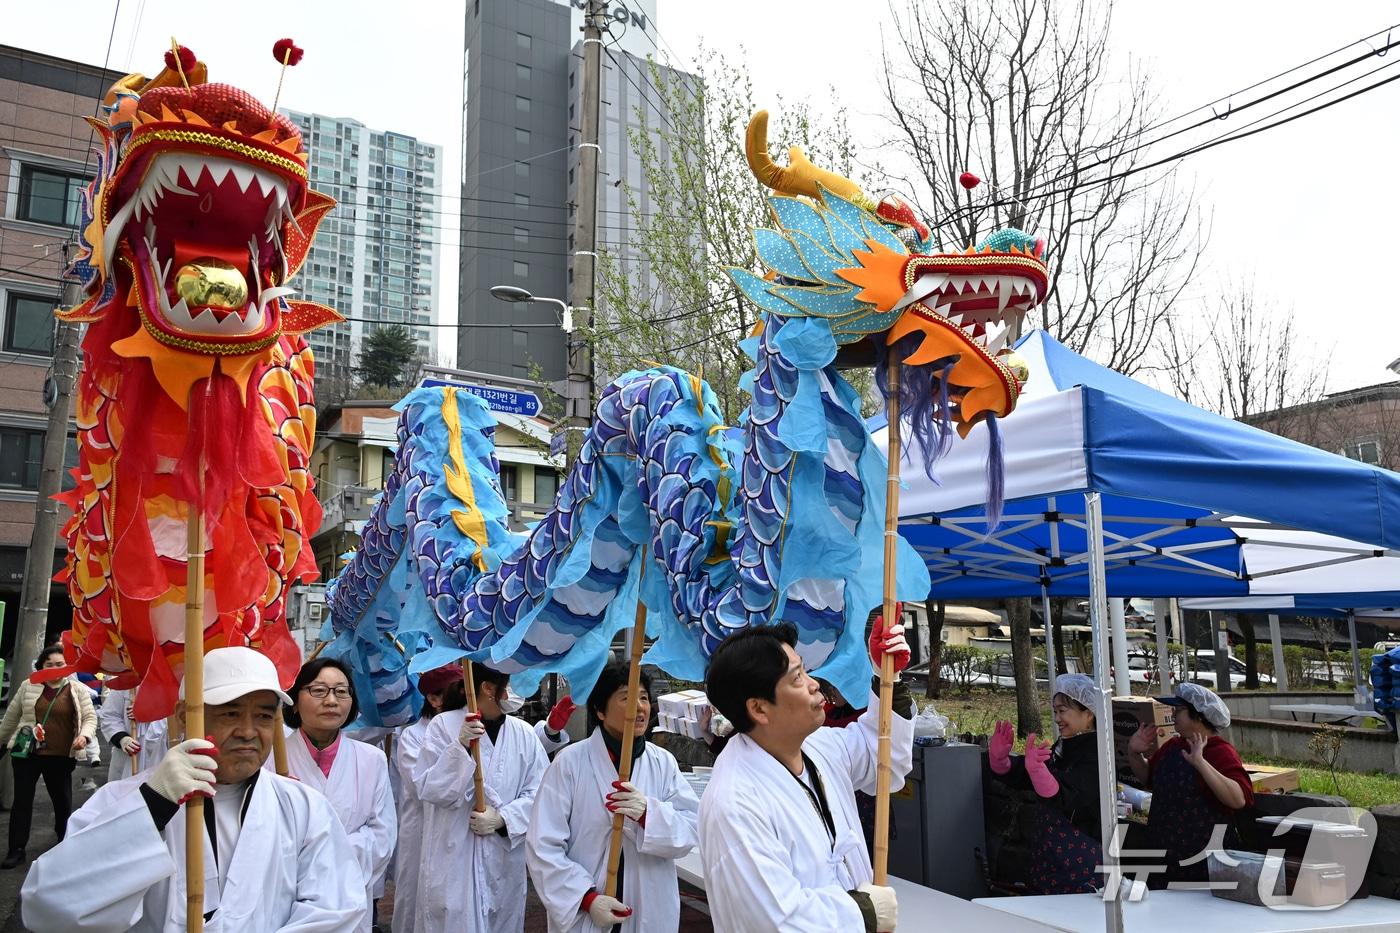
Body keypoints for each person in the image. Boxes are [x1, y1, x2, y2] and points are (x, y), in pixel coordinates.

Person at [21, 646, 366, 930]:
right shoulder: (122, 799)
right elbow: (49, 908)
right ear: (185, 715)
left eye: (263, 716)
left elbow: (336, 909)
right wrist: (152, 806)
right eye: (231, 714)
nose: (249, 731)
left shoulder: (303, 807)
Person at [698, 618, 913, 933]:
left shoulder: (818, 747)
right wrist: (861, 911)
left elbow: (881, 758)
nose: (814, 684)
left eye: (805, 671)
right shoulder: (734, 803)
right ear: (759, 709)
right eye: (797, 678)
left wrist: (888, 679)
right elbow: (773, 919)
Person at [526, 661, 700, 932]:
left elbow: (690, 829)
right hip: (588, 909)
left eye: (643, 697)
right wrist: (585, 898)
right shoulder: (569, 763)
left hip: (648, 904)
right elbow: (543, 844)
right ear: (600, 710)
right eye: (626, 697)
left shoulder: (663, 763)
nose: (640, 706)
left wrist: (648, 815)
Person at [412, 662, 549, 932]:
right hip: (455, 858)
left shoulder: (523, 734)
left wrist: (504, 819)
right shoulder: (444, 726)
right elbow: (430, 789)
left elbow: (542, 793)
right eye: (512, 684)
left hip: (503, 862)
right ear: (488, 687)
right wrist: (460, 747)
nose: (518, 692)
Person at [280, 657, 397, 933]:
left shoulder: (372, 760)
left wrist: (319, 853)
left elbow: (383, 836)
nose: (331, 700)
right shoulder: (273, 759)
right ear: (295, 701)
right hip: (288, 899)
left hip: (349, 895)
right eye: (319, 690)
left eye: (341, 691)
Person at [1129, 681, 1254, 887]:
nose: (1172, 714)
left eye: (1178, 710)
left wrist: (1201, 763)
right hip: (1163, 857)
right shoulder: (1173, 746)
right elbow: (1149, 778)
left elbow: (1238, 799)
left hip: (1203, 862)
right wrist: (1135, 753)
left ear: (1198, 716)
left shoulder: (1220, 752)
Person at [987, 673, 1104, 894]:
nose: (1057, 718)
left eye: (1063, 711)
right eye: (1055, 712)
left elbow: (1072, 799)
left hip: (1080, 864)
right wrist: (1002, 762)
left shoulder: (1096, 752)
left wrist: (1040, 773)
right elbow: (1028, 775)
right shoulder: (1063, 745)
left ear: (1088, 713)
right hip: (1047, 857)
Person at [0, 643, 98, 868]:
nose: (54, 668)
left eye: (60, 664)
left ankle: (64, 842)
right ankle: (16, 849)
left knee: (62, 801)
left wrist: (84, 736)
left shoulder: (77, 688)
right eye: (49, 664)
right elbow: (11, 718)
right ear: (40, 666)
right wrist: (2, 740)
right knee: (22, 801)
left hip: (61, 755)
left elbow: (91, 718)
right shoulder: (28, 686)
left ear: (67, 666)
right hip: (27, 753)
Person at [392, 664, 463, 933]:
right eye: (457, 691)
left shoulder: (470, 728)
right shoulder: (412, 737)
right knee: (416, 901)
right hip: (422, 834)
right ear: (433, 699)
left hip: (460, 834)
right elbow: (425, 788)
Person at [98, 686, 169, 783]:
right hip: (129, 757)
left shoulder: (171, 682)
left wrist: (153, 711)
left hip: (162, 756)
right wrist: (122, 738)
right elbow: (109, 715)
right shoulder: (126, 685)